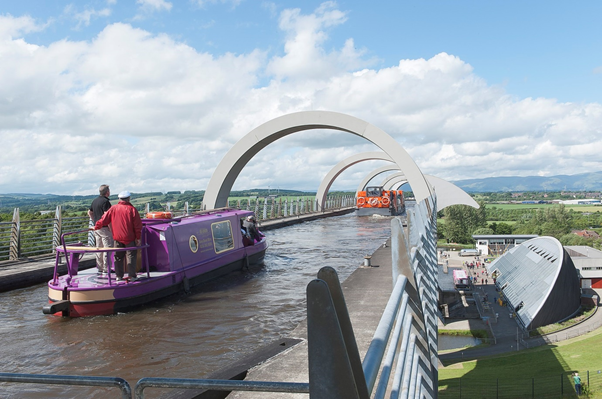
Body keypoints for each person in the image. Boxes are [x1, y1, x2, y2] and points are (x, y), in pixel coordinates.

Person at [95, 191, 142, 282]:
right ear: (128, 199)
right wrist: (138, 238)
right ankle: (132, 276)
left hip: (117, 238)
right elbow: (137, 225)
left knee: (118, 257)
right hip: (130, 237)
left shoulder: (113, 208)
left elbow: (104, 220)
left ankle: (118, 276)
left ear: (119, 199)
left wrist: (96, 226)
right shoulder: (132, 209)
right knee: (131, 256)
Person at [88, 184, 113, 275]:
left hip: (96, 228)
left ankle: (100, 268)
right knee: (107, 248)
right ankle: (106, 269)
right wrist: (111, 229)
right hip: (105, 228)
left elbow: (90, 212)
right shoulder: (106, 202)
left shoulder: (95, 201)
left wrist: (94, 221)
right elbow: (107, 216)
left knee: (99, 248)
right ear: (107, 192)